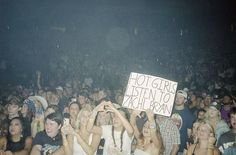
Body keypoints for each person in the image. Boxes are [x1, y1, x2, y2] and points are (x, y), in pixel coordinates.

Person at [171, 90, 195, 154]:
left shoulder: (189, 115)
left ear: (185, 100)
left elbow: (189, 134)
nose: (177, 99)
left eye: (180, 97)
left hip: (179, 148)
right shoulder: (169, 110)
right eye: (176, 97)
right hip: (166, 143)